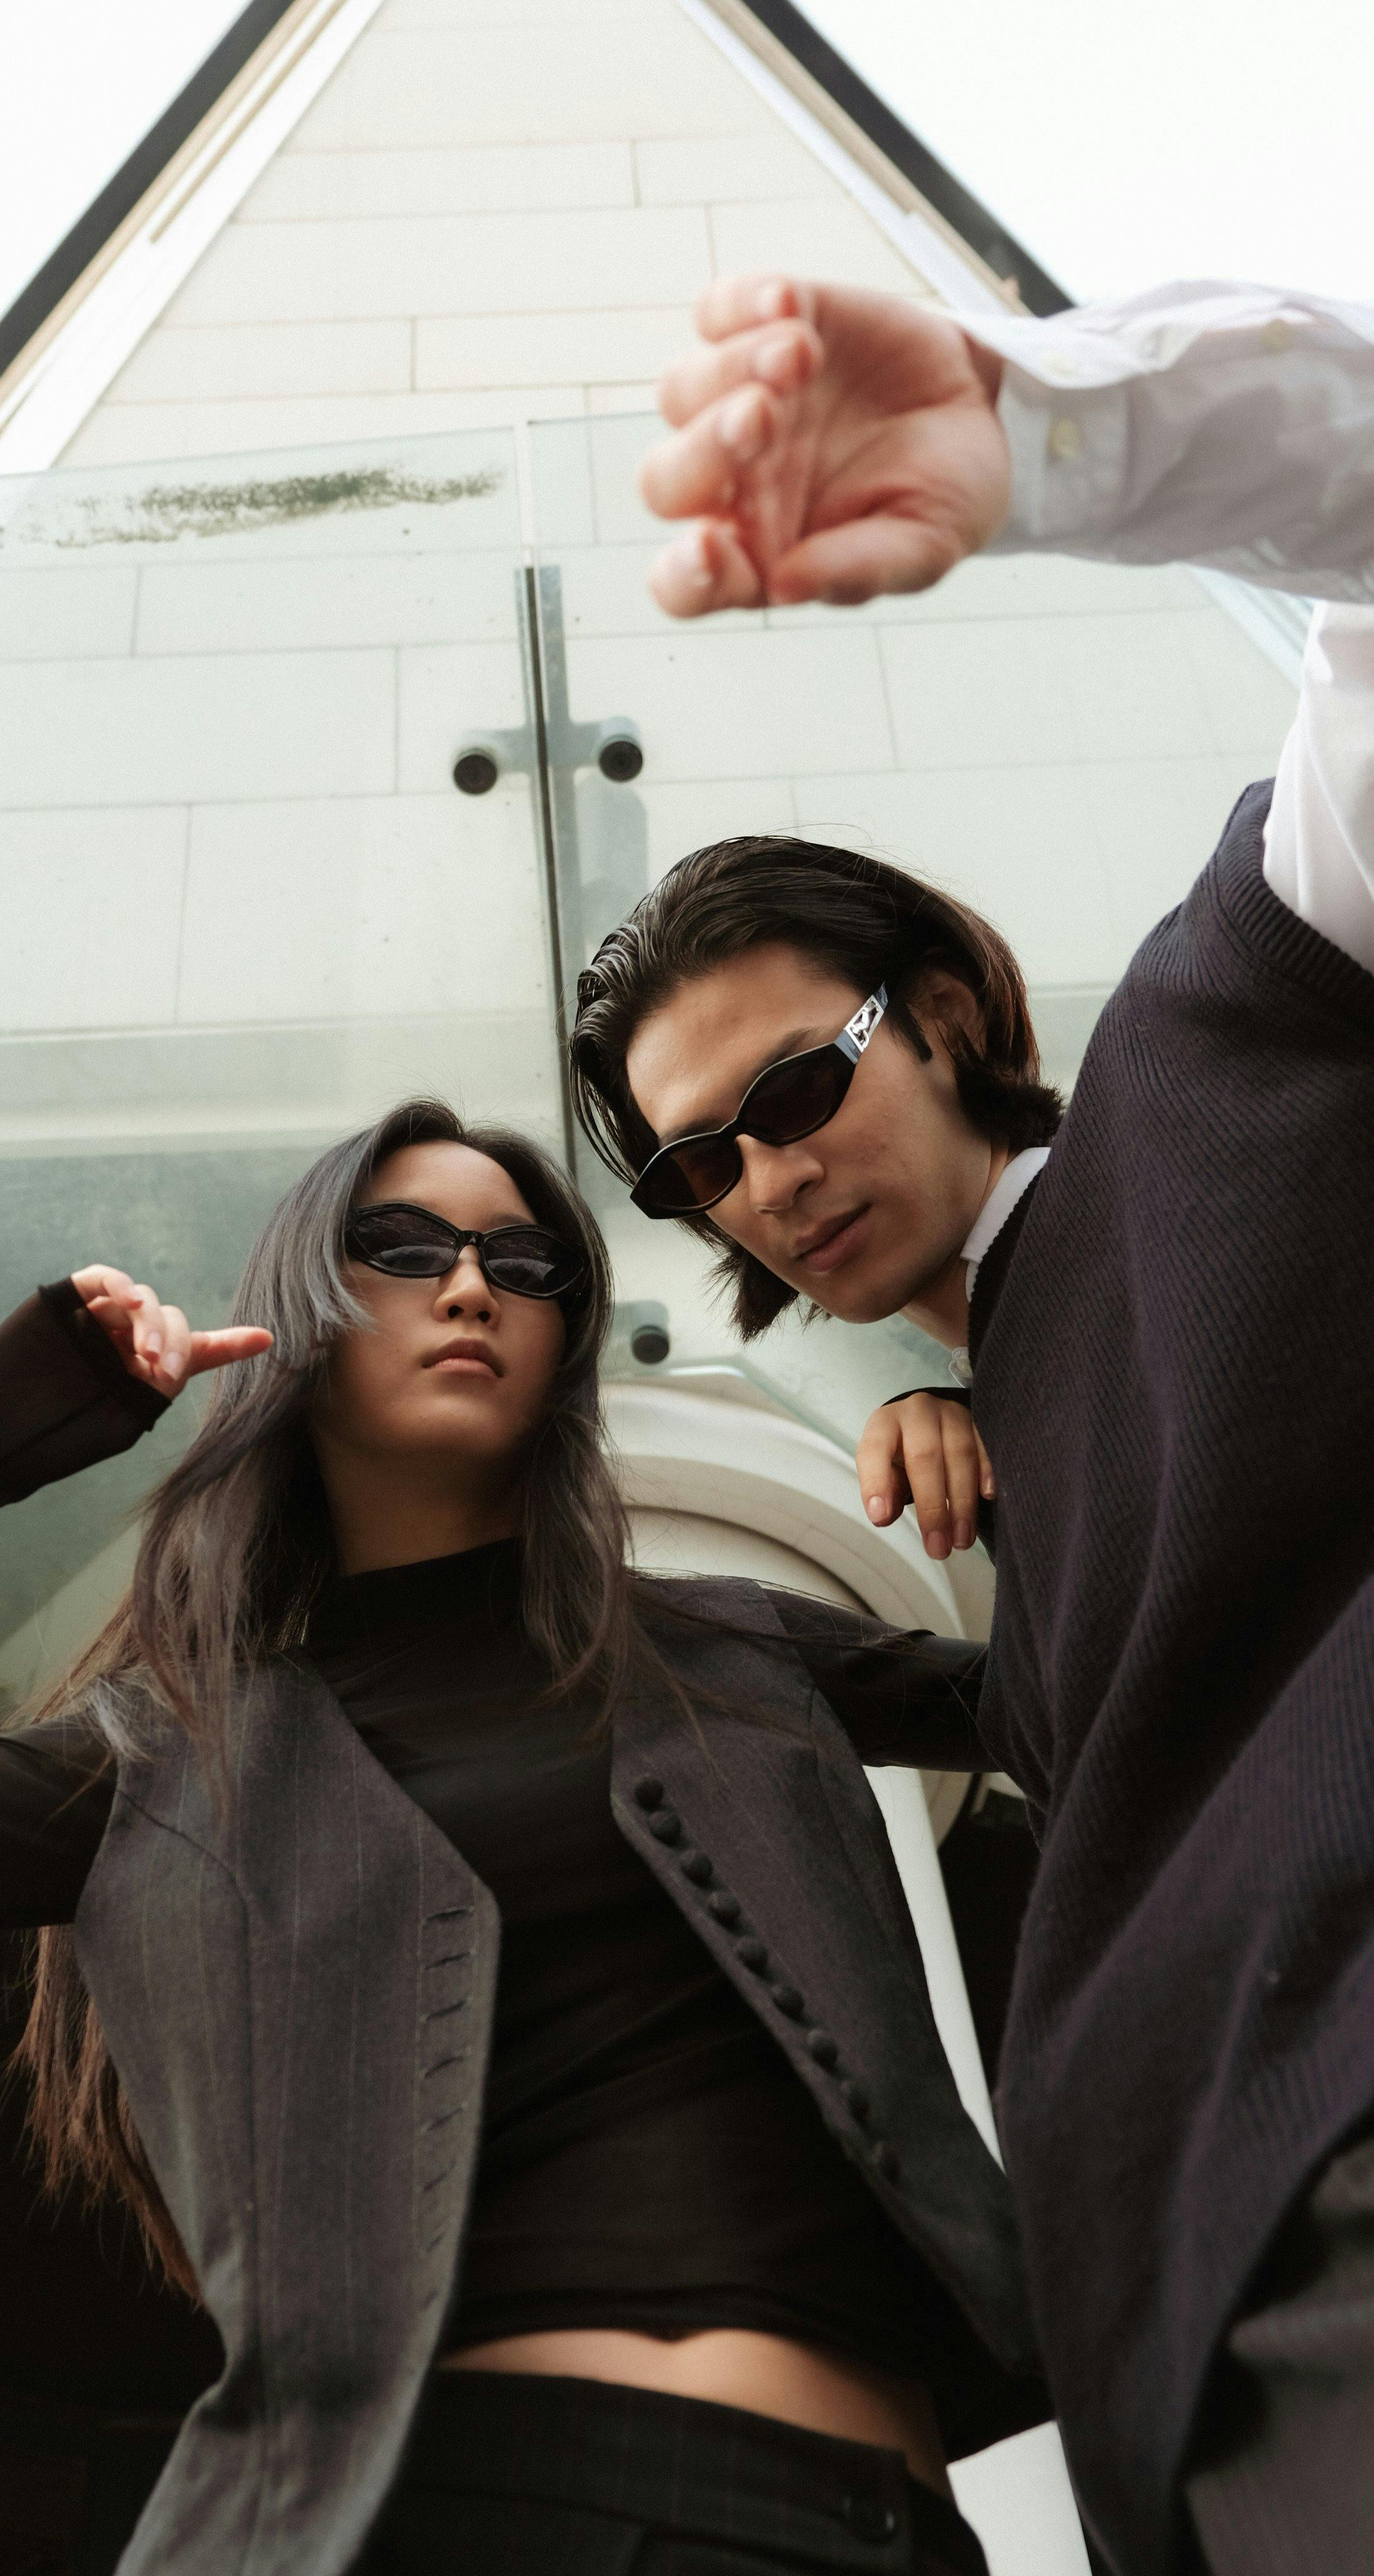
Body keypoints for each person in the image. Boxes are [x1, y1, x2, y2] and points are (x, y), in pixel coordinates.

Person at [0, 1097, 1044, 2576]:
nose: (469, 1285)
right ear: (301, 1315)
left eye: (525, 1263)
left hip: (895, 2527)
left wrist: (968, 1398)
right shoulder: (171, 1751)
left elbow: (1114, 1704)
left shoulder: (735, 1642)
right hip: (488, 2520)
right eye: (401, 1245)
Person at [566, 275, 1374, 2575]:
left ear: (940, 1012)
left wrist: (1064, 450)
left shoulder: (1241, 1031)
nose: (762, 1175)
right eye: (693, 1164)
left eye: (794, 1090)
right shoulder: (986, 1458)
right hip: (1195, 2348)